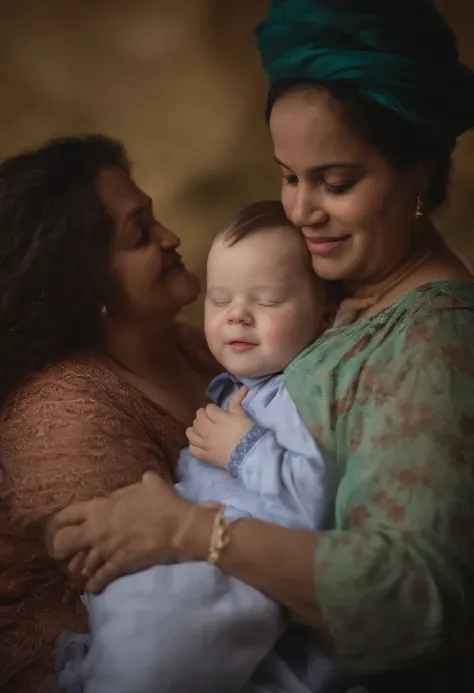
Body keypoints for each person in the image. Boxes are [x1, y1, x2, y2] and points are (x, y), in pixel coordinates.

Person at [48, 2, 474, 692]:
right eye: (289, 175)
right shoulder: (354, 294)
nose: (302, 209)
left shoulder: (437, 341)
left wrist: (188, 531)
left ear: (418, 168)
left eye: (336, 182)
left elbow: (411, 603)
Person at [58, 201, 372, 693]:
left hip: (252, 563)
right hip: (204, 559)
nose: (237, 317)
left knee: (160, 646)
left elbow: (314, 502)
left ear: (324, 317)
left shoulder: (300, 394)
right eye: (220, 299)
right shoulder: (229, 382)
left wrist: (243, 448)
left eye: (265, 302)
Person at [0, 134, 217, 693]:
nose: (171, 237)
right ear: (85, 282)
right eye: (141, 234)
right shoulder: (65, 419)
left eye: (155, 218)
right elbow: (160, 614)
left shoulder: (193, 345)